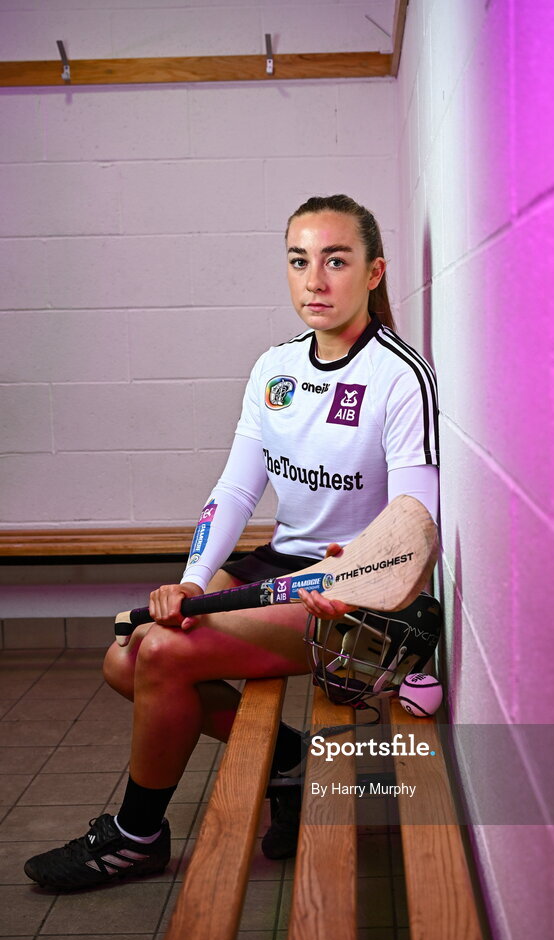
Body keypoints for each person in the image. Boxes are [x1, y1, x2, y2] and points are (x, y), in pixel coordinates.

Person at [24, 194, 440, 890]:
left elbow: (414, 521)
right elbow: (237, 490)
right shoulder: (275, 369)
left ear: (374, 273)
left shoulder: (399, 376)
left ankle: (135, 836)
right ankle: (288, 760)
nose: (315, 280)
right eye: (300, 260)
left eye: (336, 260)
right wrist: (194, 578)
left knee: (159, 653)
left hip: (355, 600)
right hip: (282, 569)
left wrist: (359, 584)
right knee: (123, 658)